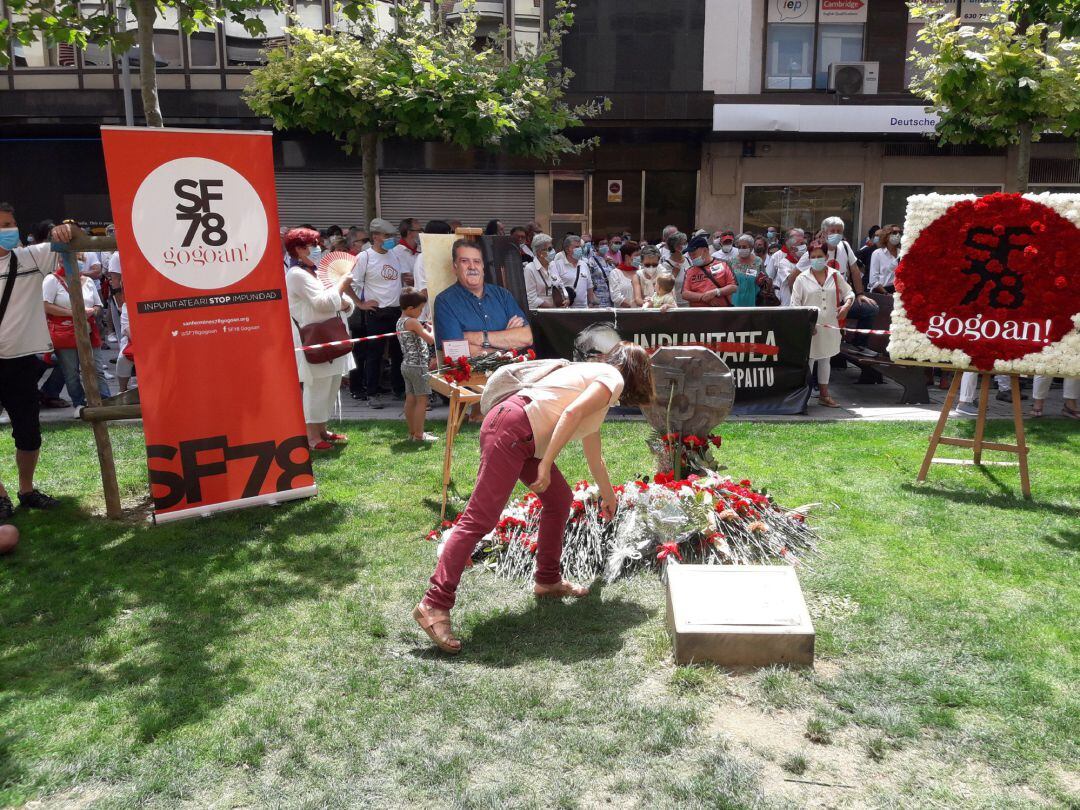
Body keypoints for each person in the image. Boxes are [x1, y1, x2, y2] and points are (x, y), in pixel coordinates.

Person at [412, 341, 655, 654]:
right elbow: (570, 413)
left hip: (515, 431)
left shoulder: (594, 377)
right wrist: (545, 462)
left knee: (559, 499)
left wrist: (609, 495)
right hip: (513, 431)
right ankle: (434, 604)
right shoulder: (612, 378)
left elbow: (594, 455)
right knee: (480, 519)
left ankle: (547, 580)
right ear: (637, 374)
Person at [0, 202, 77, 517]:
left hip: (20, 362)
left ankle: (26, 490)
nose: (9, 230)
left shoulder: (30, 257)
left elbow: (72, 237)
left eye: (10, 224)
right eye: (3, 224)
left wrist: (69, 226)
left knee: (29, 433)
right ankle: (1, 497)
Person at [285, 227, 354, 451]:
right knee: (317, 387)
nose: (318, 249)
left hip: (333, 332)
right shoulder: (296, 275)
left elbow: (341, 304)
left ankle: (322, 429)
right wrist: (342, 284)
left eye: (318, 245)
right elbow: (323, 303)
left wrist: (341, 298)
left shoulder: (315, 271)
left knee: (332, 383)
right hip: (315, 337)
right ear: (299, 249)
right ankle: (311, 436)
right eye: (313, 246)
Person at [433, 240, 533, 356]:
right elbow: (457, 353)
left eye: (477, 261)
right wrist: (506, 344)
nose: (472, 267)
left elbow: (526, 337)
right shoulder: (445, 301)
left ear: (483, 266)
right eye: (464, 261)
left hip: (509, 370)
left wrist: (478, 337)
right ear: (455, 267)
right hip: (473, 373)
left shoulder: (502, 295)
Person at [799, 216, 879, 356]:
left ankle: (858, 345)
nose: (836, 234)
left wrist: (860, 294)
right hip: (819, 303)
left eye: (839, 231)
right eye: (832, 231)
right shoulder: (814, 251)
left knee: (870, 309)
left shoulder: (845, 247)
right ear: (824, 233)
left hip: (841, 301)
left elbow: (854, 270)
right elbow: (794, 277)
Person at [41, 257, 111, 412]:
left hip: (89, 332)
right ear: (59, 262)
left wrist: (93, 311)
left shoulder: (88, 281)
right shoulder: (51, 280)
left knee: (97, 368)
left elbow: (98, 304)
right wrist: (74, 313)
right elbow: (46, 305)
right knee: (71, 372)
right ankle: (79, 404)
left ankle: (106, 401)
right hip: (65, 335)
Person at [350, 218, 406, 409]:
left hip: (397, 311)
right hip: (377, 312)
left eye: (392, 235)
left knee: (399, 353)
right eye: (386, 235)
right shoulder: (365, 257)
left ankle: (399, 389)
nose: (391, 239)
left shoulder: (395, 255)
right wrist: (360, 303)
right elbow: (350, 283)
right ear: (375, 237)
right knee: (374, 354)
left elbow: (400, 280)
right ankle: (372, 392)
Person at [791, 240, 854, 408]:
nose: (817, 259)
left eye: (820, 256)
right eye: (813, 257)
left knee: (826, 359)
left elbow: (849, 293)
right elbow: (794, 305)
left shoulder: (835, 275)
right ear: (809, 258)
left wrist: (846, 306)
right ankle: (803, 397)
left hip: (830, 325)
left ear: (826, 256)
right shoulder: (801, 278)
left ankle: (824, 395)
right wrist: (805, 324)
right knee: (809, 361)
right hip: (809, 328)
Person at [397, 287, 437, 442]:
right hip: (419, 367)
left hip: (406, 365)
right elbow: (430, 340)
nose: (421, 312)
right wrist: (432, 329)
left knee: (410, 399)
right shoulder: (413, 322)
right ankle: (420, 435)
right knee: (422, 400)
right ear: (410, 309)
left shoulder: (401, 321)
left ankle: (413, 432)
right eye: (420, 309)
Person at [683, 236, 736, 307]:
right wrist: (703, 297)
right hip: (697, 314)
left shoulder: (724, 264)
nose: (692, 258)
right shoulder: (689, 271)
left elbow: (733, 287)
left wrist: (716, 292)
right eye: (690, 255)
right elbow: (685, 293)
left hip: (721, 313)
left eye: (694, 254)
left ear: (705, 250)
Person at [550, 234, 594, 309]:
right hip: (566, 310)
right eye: (576, 247)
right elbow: (555, 288)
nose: (580, 249)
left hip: (583, 309)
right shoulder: (558, 265)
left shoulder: (584, 265)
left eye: (580, 247)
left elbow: (589, 287)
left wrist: (591, 304)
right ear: (567, 249)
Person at [523, 233, 562, 310]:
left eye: (552, 248)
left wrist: (565, 298)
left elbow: (560, 285)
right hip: (540, 315)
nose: (553, 251)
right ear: (539, 252)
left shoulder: (553, 264)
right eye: (549, 249)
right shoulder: (530, 269)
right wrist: (552, 308)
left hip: (557, 312)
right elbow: (531, 299)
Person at [727, 233, 764, 307]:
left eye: (744, 247)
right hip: (734, 302)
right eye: (739, 247)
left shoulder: (758, 261)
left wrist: (761, 281)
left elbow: (763, 279)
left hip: (752, 300)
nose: (741, 249)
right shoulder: (731, 261)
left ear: (751, 247)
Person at [774, 228, 806, 306]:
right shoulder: (784, 263)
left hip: (805, 304)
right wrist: (803, 262)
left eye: (804, 243)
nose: (804, 246)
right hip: (788, 305)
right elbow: (791, 280)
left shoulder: (807, 261)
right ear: (792, 249)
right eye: (801, 244)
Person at [609, 241, 645, 308]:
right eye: (637, 255)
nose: (639, 258)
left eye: (640, 255)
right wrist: (633, 306)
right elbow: (616, 297)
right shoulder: (615, 273)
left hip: (642, 312)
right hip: (623, 314)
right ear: (627, 257)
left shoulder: (642, 271)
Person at [581, 234, 613, 307]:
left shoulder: (610, 260)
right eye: (602, 244)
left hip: (610, 298)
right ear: (596, 246)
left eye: (606, 244)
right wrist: (591, 300)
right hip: (598, 299)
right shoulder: (591, 261)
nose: (605, 246)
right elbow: (588, 281)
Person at [869, 224, 901, 294]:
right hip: (881, 292)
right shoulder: (877, 253)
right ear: (886, 235)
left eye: (899, 233)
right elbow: (873, 280)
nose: (898, 235)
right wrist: (886, 294)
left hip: (898, 293)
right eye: (894, 233)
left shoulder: (902, 254)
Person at [660, 232, 690, 307]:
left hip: (689, 302)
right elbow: (664, 287)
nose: (685, 245)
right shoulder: (666, 265)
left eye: (685, 242)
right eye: (683, 243)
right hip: (674, 304)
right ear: (675, 246)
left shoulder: (689, 260)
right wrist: (674, 274)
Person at [392, 218, 422, 287]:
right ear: (409, 232)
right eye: (419, 230)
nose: (421, 233)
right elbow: (408, 279)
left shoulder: (421, 250)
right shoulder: (396, 252)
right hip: (406, 294)